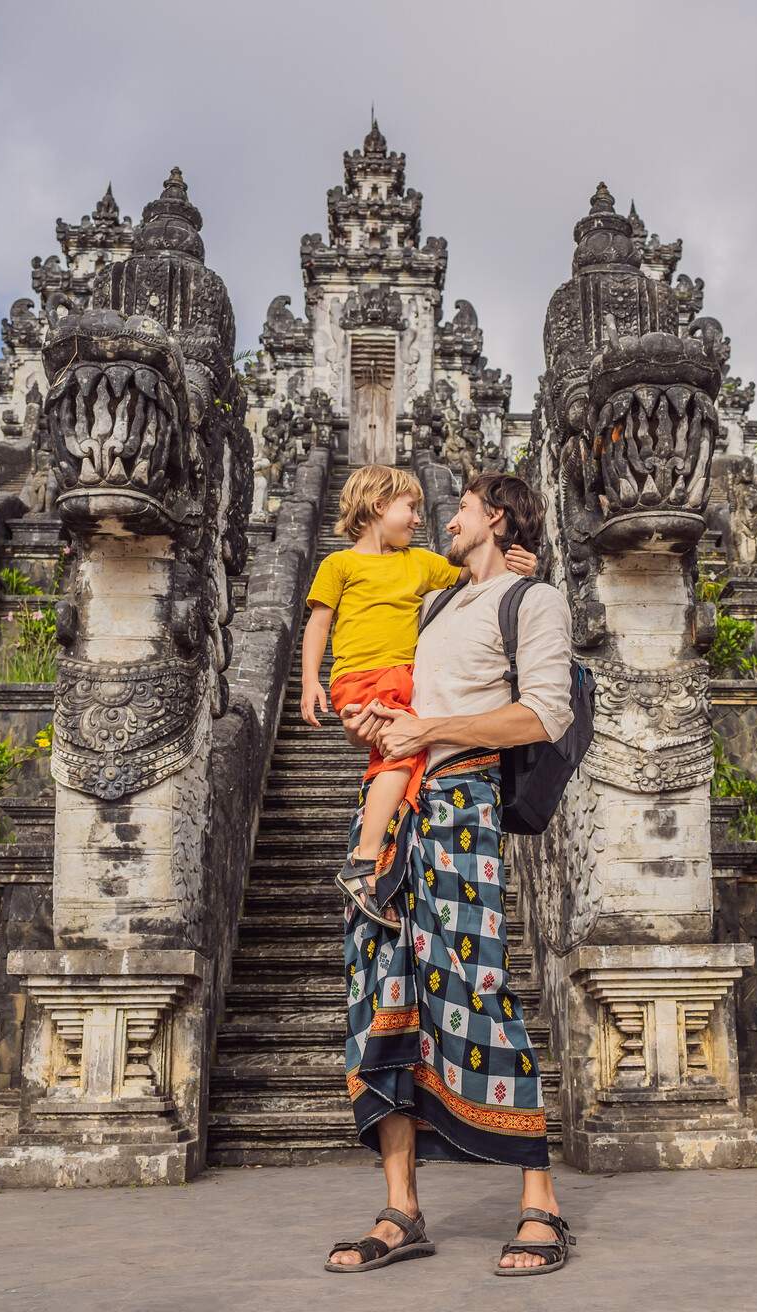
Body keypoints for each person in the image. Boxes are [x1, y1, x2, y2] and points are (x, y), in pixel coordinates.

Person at [324, 472, 577, 1278]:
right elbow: (397, 689)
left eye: (462, 508)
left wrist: (433, 729)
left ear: (493, 519)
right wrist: (376, 722)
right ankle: (402, 1208)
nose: (447, 518)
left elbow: (544, 713)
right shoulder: (432, 604)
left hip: (462, 798)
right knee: (381, 997)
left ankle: (541, 1201)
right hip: (392, 801)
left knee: (475, 981)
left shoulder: (531, 601)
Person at [300, 465, 532, 929]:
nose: (420, 520)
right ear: (378, 506)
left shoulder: (418, 562)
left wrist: (521, 565)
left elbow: (477, 568)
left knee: (403, 756)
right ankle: (364, 861)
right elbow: (319, 623)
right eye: (410, 508)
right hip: (363, 676)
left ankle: (376, 857)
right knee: (401, 758)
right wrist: (310, 681)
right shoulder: (339, 564)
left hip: (405, 677)